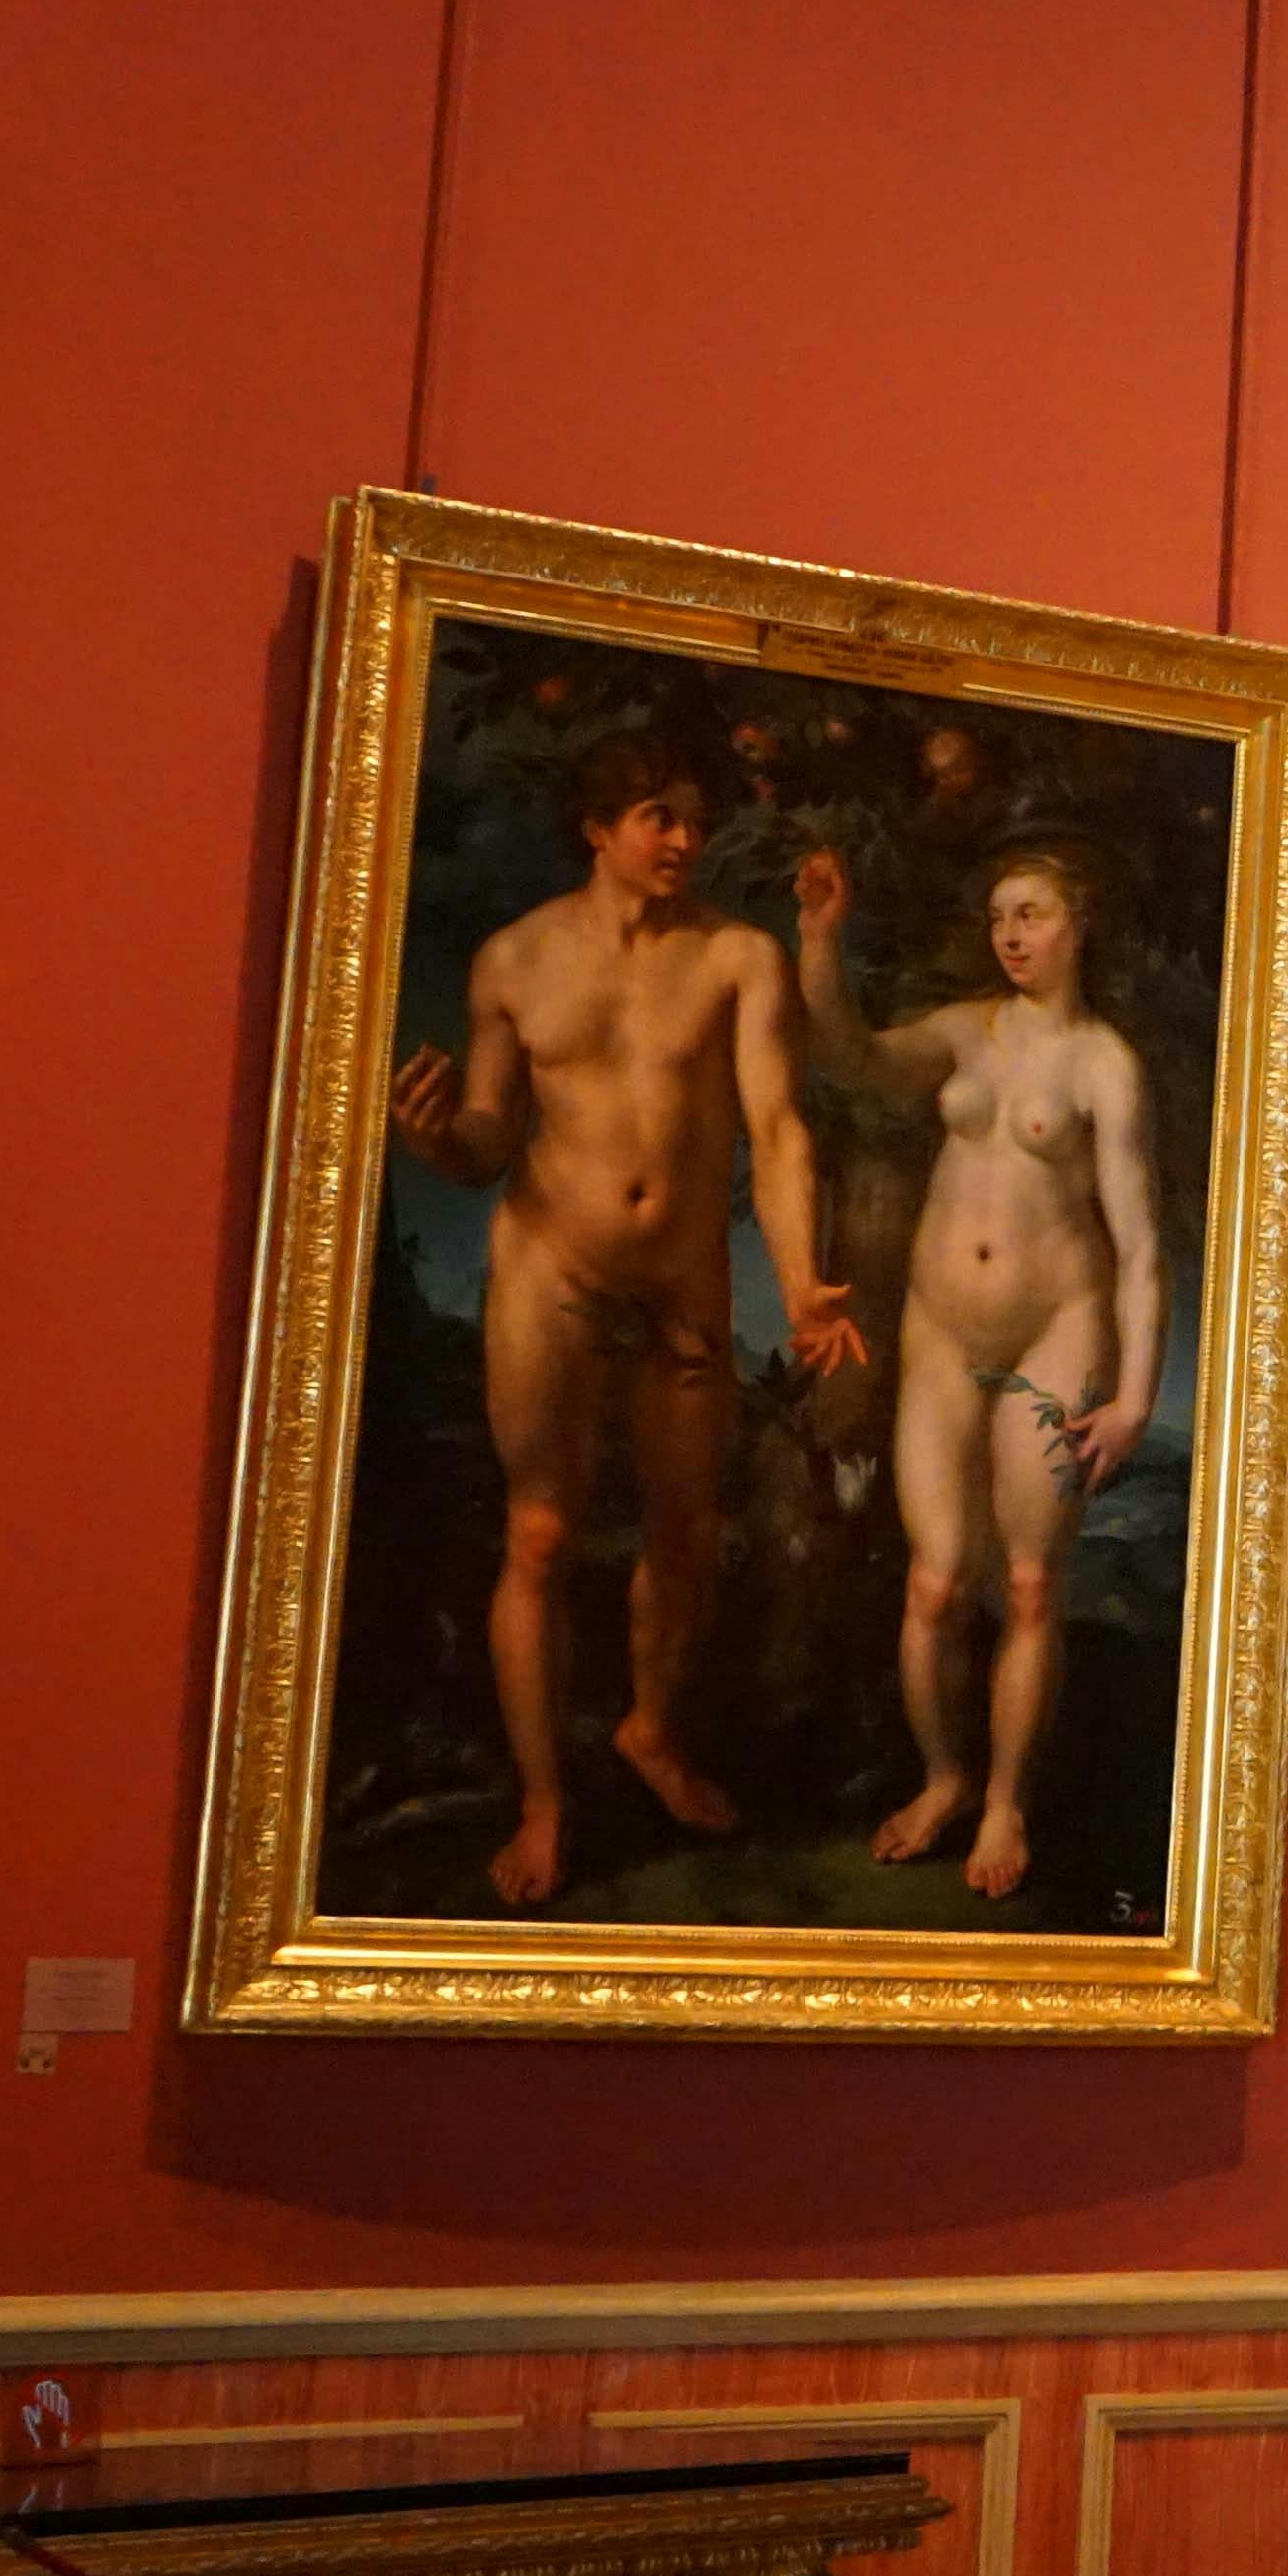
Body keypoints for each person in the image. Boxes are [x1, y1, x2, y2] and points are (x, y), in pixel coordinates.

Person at [393, 731, 860, 1905]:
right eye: (659, 814)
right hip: (552, 1266)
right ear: (599, 828)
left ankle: (651, 1730)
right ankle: (546, 1804)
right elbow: (491, 1141)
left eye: (695, 817)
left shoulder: (738, 957)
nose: (686, 840)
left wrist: (801, 1278)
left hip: (684, 1281)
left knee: (685, 1532)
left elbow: (779, 1129)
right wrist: (442, 1138)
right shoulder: (515, 960)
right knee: (542, 1533)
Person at [790, 835, 1165, 1898]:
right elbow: (852, 1056)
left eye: (1034, 912)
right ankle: (947, 1775)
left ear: (1078, 922)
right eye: (1002, 913)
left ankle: (1007, 1798)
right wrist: (820, 944)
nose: (1012, 933)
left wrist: (1136, 1393)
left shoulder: (1106, 1066)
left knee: (1035, 1582)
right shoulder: (963, 1033)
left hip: (1058, 1329)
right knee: (937, 1579)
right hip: (944, 1332)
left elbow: (1141, 1250)